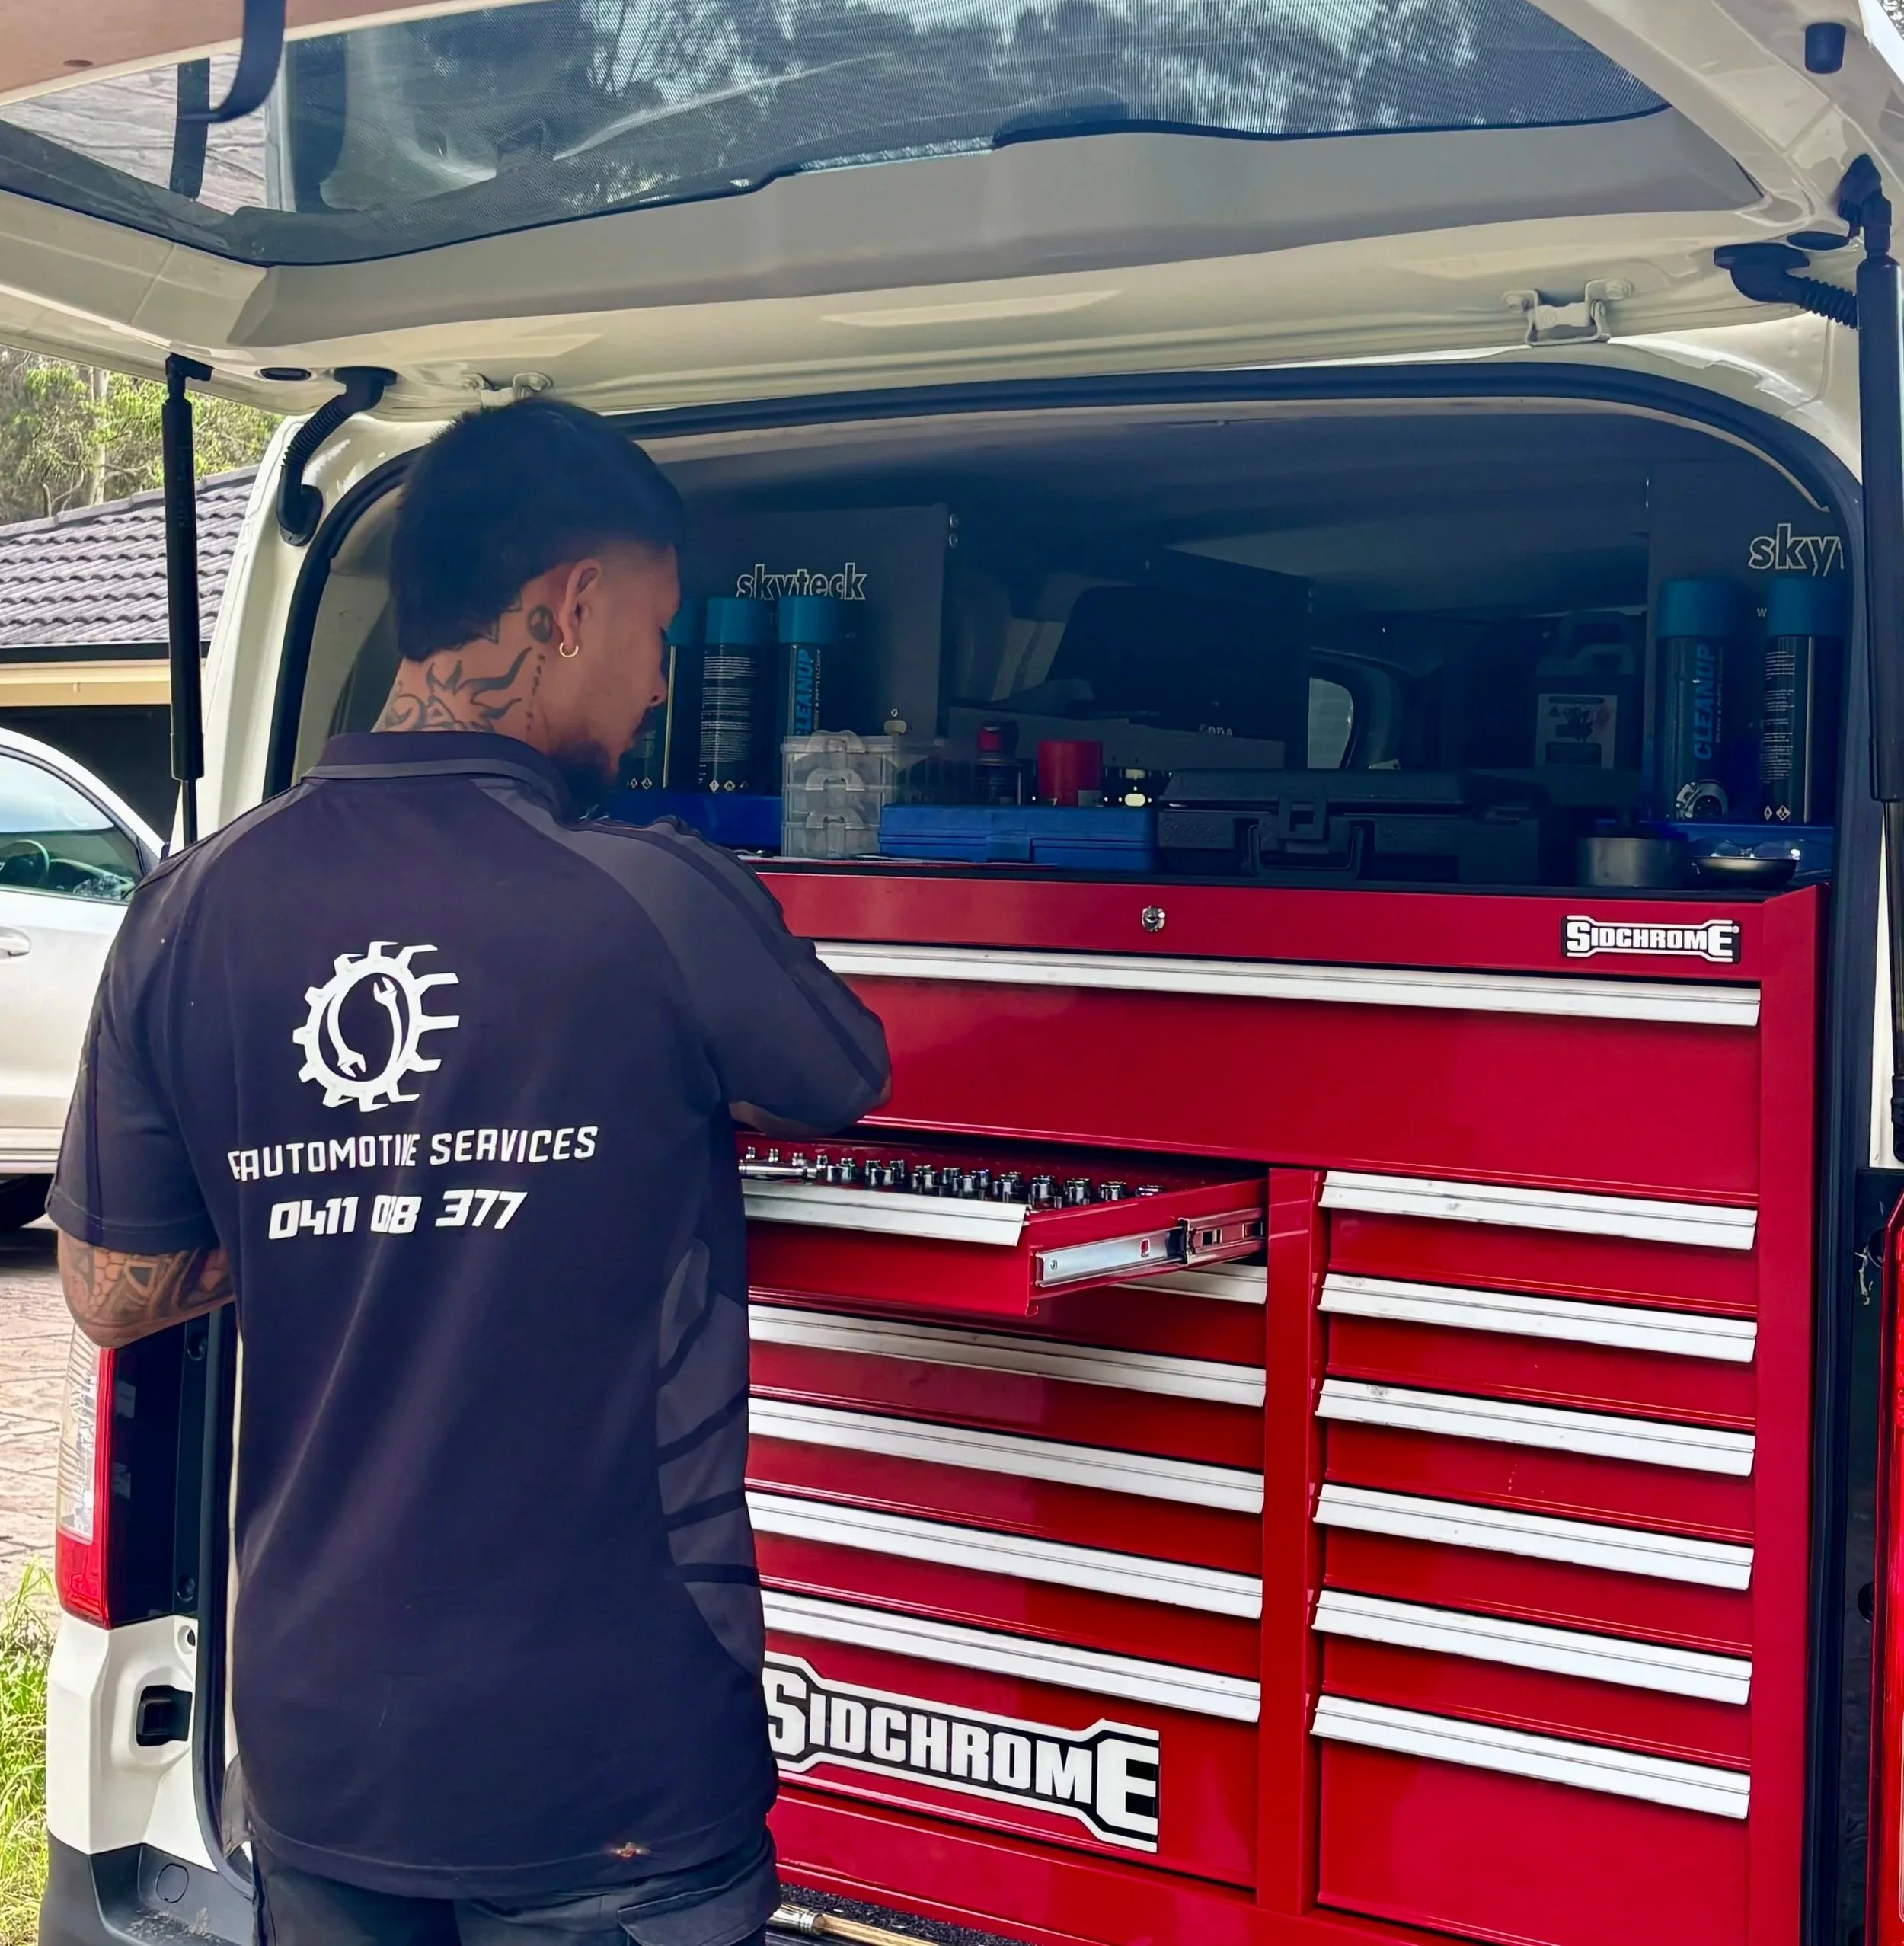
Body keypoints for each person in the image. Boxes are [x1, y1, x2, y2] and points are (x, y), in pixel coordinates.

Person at [50, 398, 892, 1946]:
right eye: (650, 630)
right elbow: (843, 1075)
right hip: (604, 1769)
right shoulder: (650, 899)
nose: (654, 682)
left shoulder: (188, 904)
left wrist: (334, 1190)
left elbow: (110, 1291)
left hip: (317, 1750)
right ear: (563, 607)